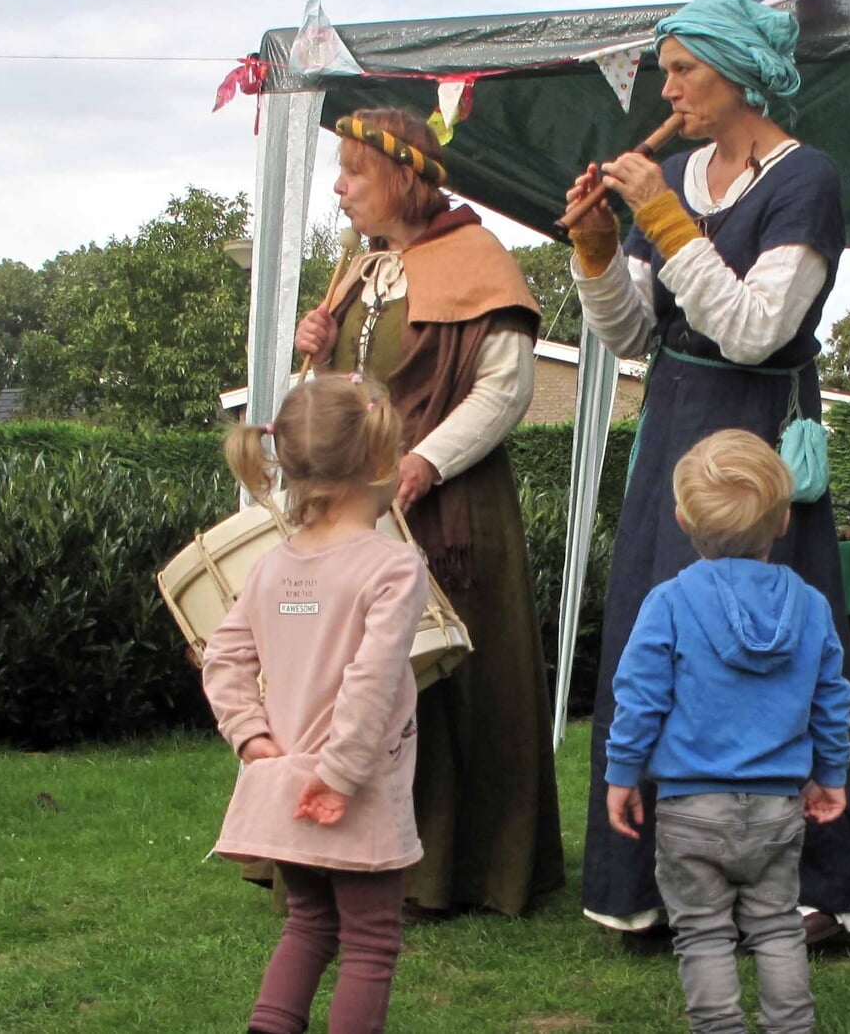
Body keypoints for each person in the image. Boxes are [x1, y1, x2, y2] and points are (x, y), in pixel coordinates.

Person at [565, 0, 850, 941]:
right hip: (675, 427)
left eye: (685, 69)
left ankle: (818, 889)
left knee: (782, 652)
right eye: (666, 69)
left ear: (741, 73)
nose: (666, 87)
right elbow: (636, 332)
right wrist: (598, 248)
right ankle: (656, 886)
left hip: (757, 435)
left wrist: (666, 221)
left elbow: (759, 331)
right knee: (659, 641)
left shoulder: (808, 180)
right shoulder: (672, 175)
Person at [291, 107, 563, 919]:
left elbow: (505, 389)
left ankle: (451, 870)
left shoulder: (478, 260)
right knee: (350, 681)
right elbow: (329, 400)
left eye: (353, 172)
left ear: (403, 177)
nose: (339, 189)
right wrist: (312, 349)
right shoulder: (360, 273)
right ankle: (337, 852)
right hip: (352, 514)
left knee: (445, 685)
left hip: (451, 511)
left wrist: (425, 462)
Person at [605, 429, 850, 1033]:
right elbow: (832, 701)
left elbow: (639, 700)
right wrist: (832, 775)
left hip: (692, 809)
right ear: (784, 520)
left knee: (704, 934)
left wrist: (621, 774)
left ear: (682, 520)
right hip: (775, 810)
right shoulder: (812, 605)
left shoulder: (667, 602)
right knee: (775, 927)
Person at [201, 374, 426, 1034]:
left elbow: (223, 659)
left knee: (309, 925)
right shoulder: (394, 567)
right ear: (382, 459)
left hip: (285, 791)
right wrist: (339, 777)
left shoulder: (274, 569)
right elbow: (370, 683)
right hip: (351, 794)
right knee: (371, 945)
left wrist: (254, 743)